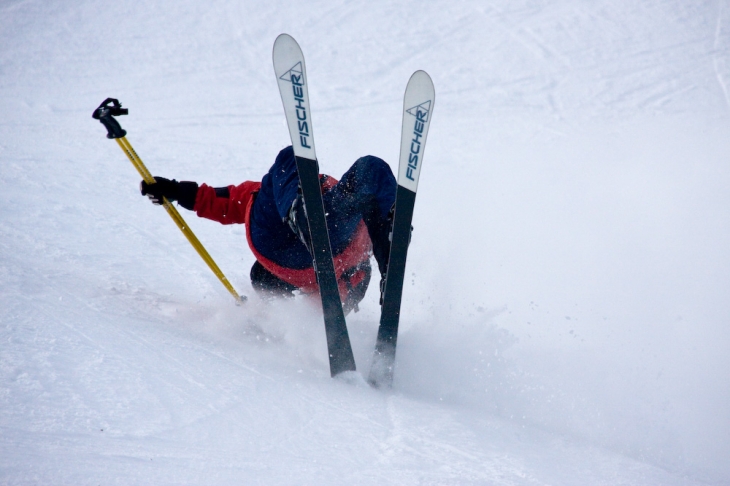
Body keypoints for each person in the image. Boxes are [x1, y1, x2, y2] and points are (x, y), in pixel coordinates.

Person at [140, 145, 397, 314]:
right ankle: (302, 213)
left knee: (364, 169)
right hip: (292, 229)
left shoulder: (357, 250)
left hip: (301, 247)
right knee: (299, 159)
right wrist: (174, 190)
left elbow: (329, 306)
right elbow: (222, 199)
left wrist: (313, 330)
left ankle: (308, 216)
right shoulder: (348, 219)